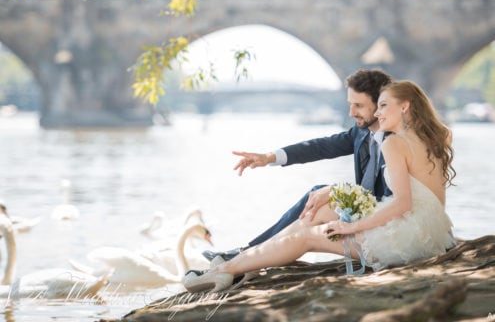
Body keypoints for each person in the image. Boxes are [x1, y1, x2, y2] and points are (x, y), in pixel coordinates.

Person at [184, 80, 457, 292]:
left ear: (405, 106)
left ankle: (228, 269)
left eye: (383, 105)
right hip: (431, 234)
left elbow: (403, 203)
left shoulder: (394, 142)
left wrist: (352, 226)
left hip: (404, 240)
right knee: (316, 214)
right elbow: (426, 203)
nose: (377, 112)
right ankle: (242, 264)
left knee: (305, 236)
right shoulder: (434, 137)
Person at [202, 68, 393, 262]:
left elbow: (389, 199)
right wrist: (269, 157)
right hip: (366, 212)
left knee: (322, 197)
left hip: (387, 222)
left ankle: (248, 256)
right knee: (317, 194)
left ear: (380, 104)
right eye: (350, 104)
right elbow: (319, 147)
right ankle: (249, 253)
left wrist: (338, 190)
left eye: (358, 105)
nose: (351, 112)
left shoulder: (398, 141)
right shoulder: (361, 133)